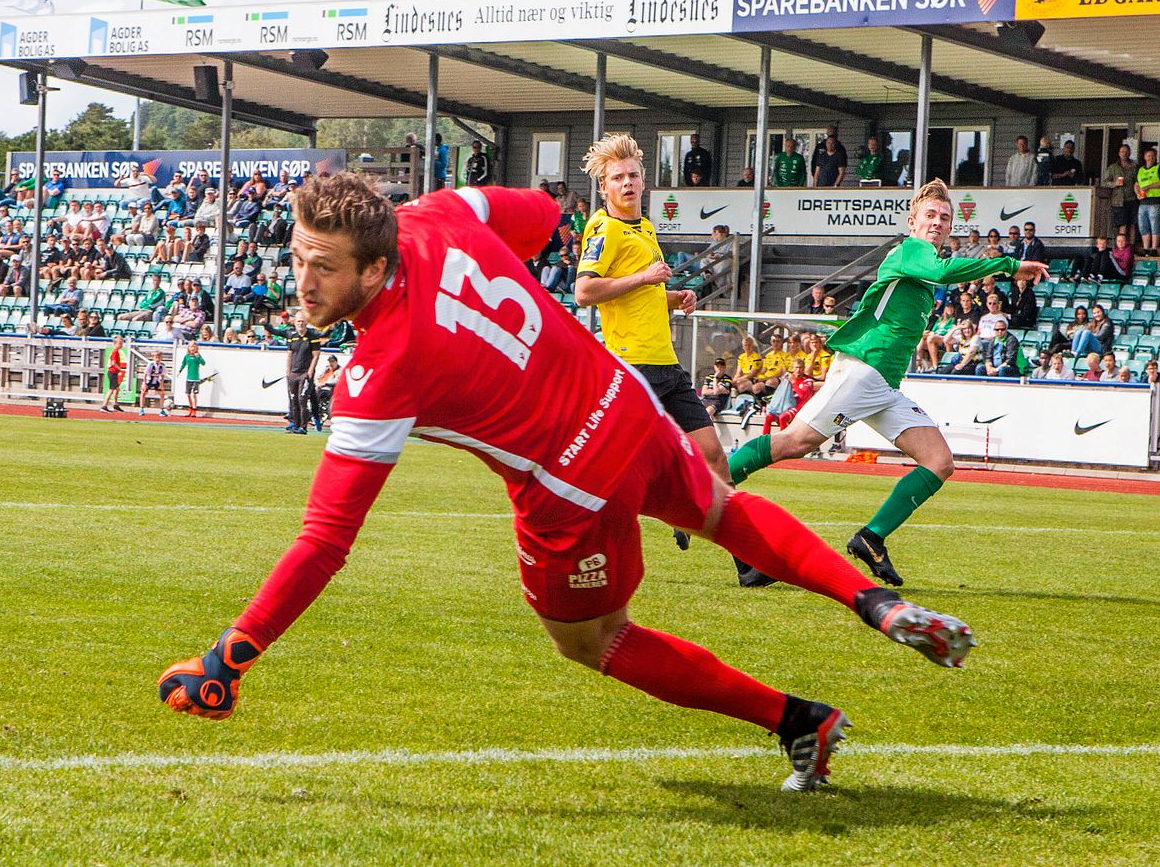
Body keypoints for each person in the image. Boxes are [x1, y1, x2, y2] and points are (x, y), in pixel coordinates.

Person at [156, 172, 977, 793]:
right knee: (724, 510)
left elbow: (325, 541)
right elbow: (545, 216)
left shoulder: (378, 370)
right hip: (621, 398)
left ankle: (800, 721)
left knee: (591, 639)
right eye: (299, 259)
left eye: (326, 268)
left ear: (375, 269)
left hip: (566, 485)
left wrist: (232, 654)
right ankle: (877, 603)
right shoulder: (437, 213)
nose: (304, 283)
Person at [722, 180, 1049, 587]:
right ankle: (706, 482)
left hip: (884, 384)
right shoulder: (913, 251)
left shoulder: (921, 262)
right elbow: (944, 272)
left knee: (939, 462)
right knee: (796, 442)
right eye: (930, 215)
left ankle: (870, 537)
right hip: (864, 370)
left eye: (944, 218)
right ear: (912, 221)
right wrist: (1007, 264)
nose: (937, 223)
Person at [574, 135, 733, 561]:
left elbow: (640, 292)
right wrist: (645, 278)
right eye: (616, 178)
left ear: (644, 182)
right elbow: (585, 291)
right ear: (604, 187)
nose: (626, 183)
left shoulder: (644, 228)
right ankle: (578, 540)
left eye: (632, 175)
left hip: (666, 364)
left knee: (714, 455)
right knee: (624, 469)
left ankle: (748, 557)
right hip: (632, 367)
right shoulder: (603, 228)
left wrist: (672, 295)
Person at [278, 312, 324, 434]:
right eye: (299, 321)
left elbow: (316, 355)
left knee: (302, 399)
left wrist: (310, 371)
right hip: (293, 372)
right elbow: (289, 354)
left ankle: (303, 427)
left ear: (306, 322)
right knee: (294, 400)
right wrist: (288, 370)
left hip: (304, 373)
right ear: (295, 322)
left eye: (303, 321)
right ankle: (295, 425)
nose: (301, 323)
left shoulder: (313, 336)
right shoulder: (292, 336)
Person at [1102, 142, 1137, 240]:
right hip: (1119, 201)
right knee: (1123, 224)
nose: (1124, 153)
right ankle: (1122, 247)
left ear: (1130, 153)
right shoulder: (1113, 167)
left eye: (1126, 151)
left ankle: (1131, 247)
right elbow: (1104, 182)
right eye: (1122, 151)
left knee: (1133, 224)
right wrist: (1115, 183)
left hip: (1133, 199)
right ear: (1119, 153)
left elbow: (1138, 182)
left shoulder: (1134, 166)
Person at [1138, 147, 1160, 257]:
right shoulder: (1141, 170)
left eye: (1152, 156)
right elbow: (1136, 184)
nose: (1150, 158)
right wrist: (1137, 192)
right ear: (1144, 157)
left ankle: (1154, 248)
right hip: (1143, 202)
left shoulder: (1158, 168)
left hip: (1155, 201)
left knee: (1155, 225)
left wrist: (1149, 187)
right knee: (1143, 225)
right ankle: (1146, 248)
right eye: (1148, 156)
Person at [137, 344, 170, 418]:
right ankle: (141, 409)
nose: (157, 359)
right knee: (143, 392)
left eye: (159, 357)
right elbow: (145, 374)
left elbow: (163, 375)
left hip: (157, 380)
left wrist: (161, 384)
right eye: (156, 357)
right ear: (153, 358)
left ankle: (162, 410)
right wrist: (144, 383)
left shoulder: (162, 365)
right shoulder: (151, 364)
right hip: (149, 380)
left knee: (162, 393)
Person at [178, 339, 206, 418]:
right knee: (188, 394)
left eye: (194, 346)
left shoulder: (197, 356)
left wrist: (198, 357)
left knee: (194, 394)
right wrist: (179, 371)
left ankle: (194, 409)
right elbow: (183, 364)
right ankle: (190, 408)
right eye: (190, 346)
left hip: (195, 379)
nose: (192, 348)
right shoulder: (187, 357)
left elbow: (203, 363)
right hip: (189, 378)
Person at [103, 333, 127, 412]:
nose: (121, 345)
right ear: (114, 343)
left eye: (122, 343)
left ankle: (115, 404)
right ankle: (104, 406)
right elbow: (113, 363)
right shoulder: (115, 352)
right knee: (111, 389)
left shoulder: (116, 352)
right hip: (112, 372)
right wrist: (119, 369)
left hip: (114, 372)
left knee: (116, 389)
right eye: (120, 343)